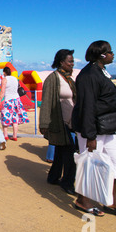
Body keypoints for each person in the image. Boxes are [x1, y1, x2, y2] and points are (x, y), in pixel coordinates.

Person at [72, 40, 116, 219]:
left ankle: (111, 200)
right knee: (90, 166)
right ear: (102, 55)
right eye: (110, 52)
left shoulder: (101, 72)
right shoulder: (89, 74)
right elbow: (87, 105)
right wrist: (90, 135)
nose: (113, 55)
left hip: (108, 127)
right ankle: (83, 200)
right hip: (93, 129)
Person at [39, 49, 77, 195]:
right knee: (70, 153)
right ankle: (67, 183)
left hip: (70, 121)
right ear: (61, 62)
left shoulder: (68, 78)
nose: (72, 64)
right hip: (59, 122)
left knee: (61, 151)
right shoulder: (53, 79)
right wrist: (44, 124)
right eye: (70, 61)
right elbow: (47, 102)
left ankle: (53, 177)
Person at [0, 66, 29, 141]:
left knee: (5, 117)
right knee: (15, 118)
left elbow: (2, 91)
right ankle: (14, 136)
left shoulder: (4, 79)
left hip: (8, 100)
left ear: (4, 72)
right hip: (16, 100)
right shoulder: (15, 79)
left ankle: (5, 135)